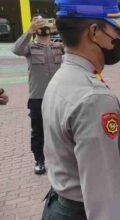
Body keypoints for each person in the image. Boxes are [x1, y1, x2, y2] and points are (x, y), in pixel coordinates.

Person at [41, 0, 120, 219]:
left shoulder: (63, 77)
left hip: (60, 204)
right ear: (94, 32)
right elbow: (103, 202)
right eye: (117, 30)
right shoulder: (94, 98)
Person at [12, 14, 63, 175]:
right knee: (38, 131)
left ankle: (60, 160)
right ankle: (39, 161)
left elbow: (73, 47)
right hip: (37, 97)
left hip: (58, 97)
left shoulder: (58, 45)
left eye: (44, 22)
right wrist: (28, 32)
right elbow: (16, 49)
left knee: (60, 130)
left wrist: (60, 29)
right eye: (37, 23)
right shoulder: (30, 47)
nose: (42, 26)